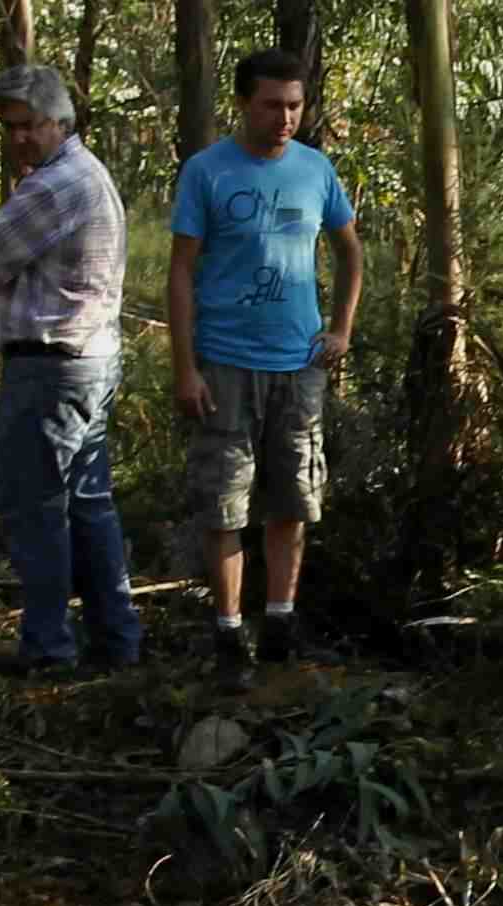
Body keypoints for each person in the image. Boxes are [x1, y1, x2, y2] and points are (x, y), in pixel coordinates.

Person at [167, 49, 363, 692]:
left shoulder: (315, 170)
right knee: (224, 501)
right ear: (244, 104)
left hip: (298, 364)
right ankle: (228, 631)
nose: (285, 117)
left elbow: (350, 250)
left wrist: (341, 329)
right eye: (272, 105)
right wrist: (185, 368)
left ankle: (280, 622)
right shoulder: (207, 171)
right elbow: (180, 271)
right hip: (225, 362)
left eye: (295, 105)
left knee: (293, 496)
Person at [0, 63, 140, 679]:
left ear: (60, 121)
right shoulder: (83, 174)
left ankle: (49, 649)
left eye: (28, 126)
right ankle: (115, 640)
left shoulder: (56, 186)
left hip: (52, 368)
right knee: (87, 503)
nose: (18, 138)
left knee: (36, 509)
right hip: (87, 360)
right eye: (9, 127)